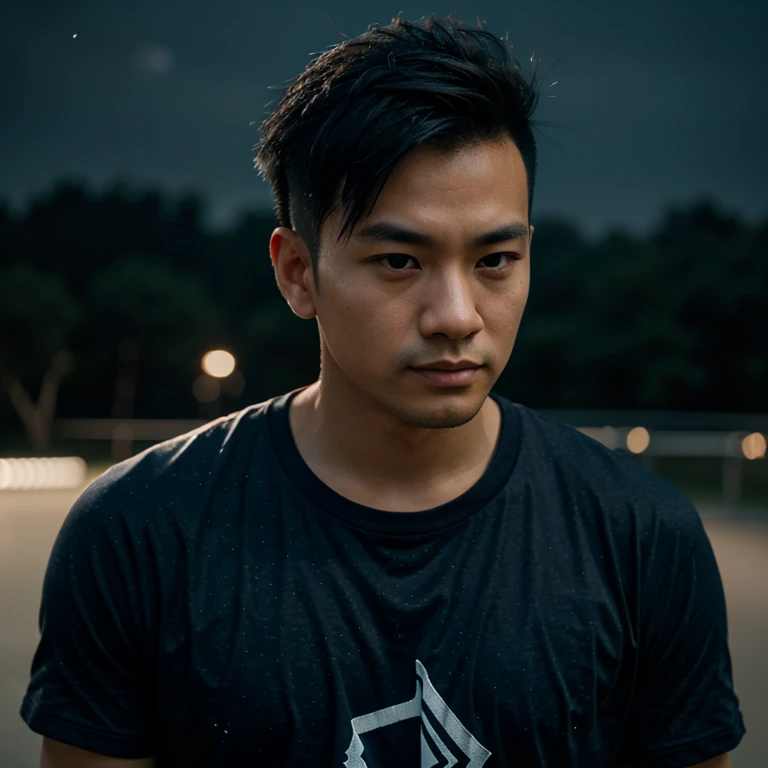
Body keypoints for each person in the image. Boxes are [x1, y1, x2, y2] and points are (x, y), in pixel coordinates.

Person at [21, 13, 744, 768]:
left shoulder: (641, 536)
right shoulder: (138, 531)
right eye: (399, 261)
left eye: (496, 259)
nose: (458, 317)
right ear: (298, 272)